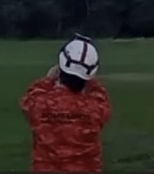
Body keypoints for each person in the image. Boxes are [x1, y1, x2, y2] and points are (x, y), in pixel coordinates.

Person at [20, 34, 112, 172]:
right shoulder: (96, 109)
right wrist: (85, 72)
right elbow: (99, 93)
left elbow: (31, 96)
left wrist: (48, 79)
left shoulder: (38, 104)